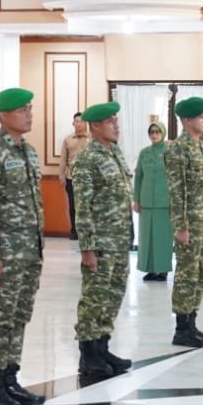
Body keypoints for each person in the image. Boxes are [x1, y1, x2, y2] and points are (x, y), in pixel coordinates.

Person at [0, 88, 47, 405]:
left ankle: (10, 379)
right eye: (22, 110)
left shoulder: (28, 152)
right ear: (4, 116)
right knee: (0, 318)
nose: (29, 114)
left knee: (19, 316)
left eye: (30, 108)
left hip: (29, 249)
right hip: (4, 250)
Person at [71, 101, 133, 379]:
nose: (116, 125)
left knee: (113, 295)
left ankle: (102, 346)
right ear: (96, 126)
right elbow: (82, 206)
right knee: (94, 298)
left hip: (119, 240)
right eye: (110, 121)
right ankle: (89, 355)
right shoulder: (88, 159)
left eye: (116, 120)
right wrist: (87, 247)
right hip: (100, 243)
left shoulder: (115, 153)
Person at [166, 97, 203, 348]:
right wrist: (181, 226)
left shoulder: (201, 146)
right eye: (200, 117)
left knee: (199, 273)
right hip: (190, 222)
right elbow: (178, 191)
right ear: (187, 121)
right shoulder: (178, 148)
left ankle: (193, 323)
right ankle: (181, 328)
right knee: (186, 273)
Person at [132, 122, 172, 281]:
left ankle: (162, 270)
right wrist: (136, 199)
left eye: (157, 131)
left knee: (162, 237)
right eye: (151, 132)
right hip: (147, 201)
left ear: (163, 132)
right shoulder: (144, 153)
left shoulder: (170, 151)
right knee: (147, 237)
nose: (154, 135)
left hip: (165, 202)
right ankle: (150, 269)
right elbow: (139, 177)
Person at [60, 112, 90, 234]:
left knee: (86, 206)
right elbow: (62, 159)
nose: (79, 124)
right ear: (73, 123)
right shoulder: (67, 140)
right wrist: (61, 175)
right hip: (71, 177)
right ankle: (74, 231)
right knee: (73, 205)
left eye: (81, 121)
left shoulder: (91, 140)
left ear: (85, 123)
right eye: (77, 121)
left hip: (88, 179)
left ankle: (86, 231)